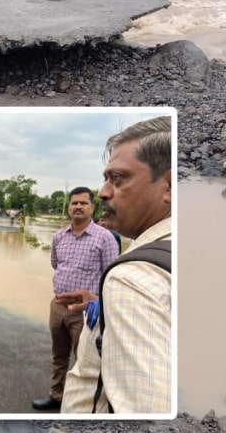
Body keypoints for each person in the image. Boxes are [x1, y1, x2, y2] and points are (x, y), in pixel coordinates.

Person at [59, 116, 172, 414]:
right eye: (106, 178)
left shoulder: (130, 278)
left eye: (118, 179)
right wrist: (105, 302)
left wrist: (118, 297)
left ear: (170, 185)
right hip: (81, 307)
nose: (104, 191)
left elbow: (148, 417)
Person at [31, 186, 118, 411]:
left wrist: (97, 302)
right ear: (69, 207)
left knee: (86, 361)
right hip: (58, 305)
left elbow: (111, 276)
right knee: (59, 355)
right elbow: (55, 264)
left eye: (83, 203)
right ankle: (57, 395)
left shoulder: (105, 238)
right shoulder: (59, 236)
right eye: (74, 203)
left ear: (92, 207)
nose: (78, 206)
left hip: (86, 311)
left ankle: (81, 406)